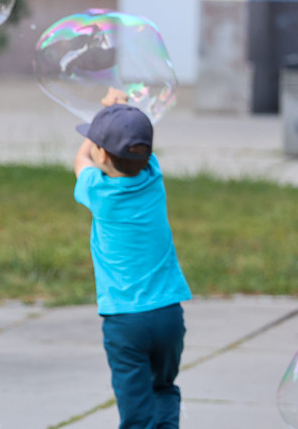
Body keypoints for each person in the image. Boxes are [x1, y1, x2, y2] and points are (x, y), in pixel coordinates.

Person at [72, 95, 191, 429]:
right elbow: (136, 149)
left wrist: (103, 116)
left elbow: (81, 157)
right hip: (169, 314)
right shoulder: (154, 181)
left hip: (125, 321)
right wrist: (119, 111)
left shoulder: (97, 192)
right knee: (163, 388)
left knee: (135, 404)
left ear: (103, 154)